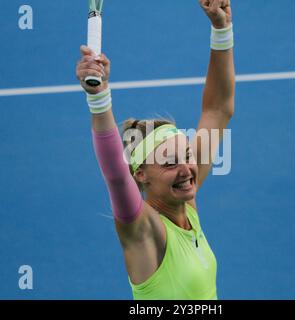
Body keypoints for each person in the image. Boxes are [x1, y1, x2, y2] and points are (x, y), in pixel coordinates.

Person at [76, 0, 235, 300]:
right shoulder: (144, 231)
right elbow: (115, 176)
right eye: (169, 163)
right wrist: (99, 99)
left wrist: (221, 28)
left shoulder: (186, 204)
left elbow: (217, 109)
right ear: (141, 175)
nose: (187, 169)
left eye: (187, 156)